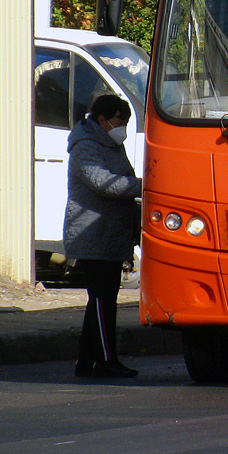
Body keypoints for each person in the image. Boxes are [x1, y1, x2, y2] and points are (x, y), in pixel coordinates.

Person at [64, 93, 142, 379]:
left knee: (102, 299)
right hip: (92, 234)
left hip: (111, 235)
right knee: (102, 300)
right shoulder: (86, 146)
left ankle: (86, 363)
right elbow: (102, 182)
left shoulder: (111, 144)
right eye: (119, 121)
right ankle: (106, 360)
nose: (122, 128)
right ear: (102, 119)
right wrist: (146, 187)